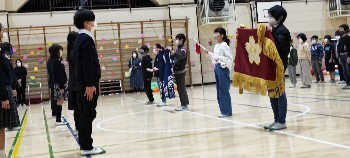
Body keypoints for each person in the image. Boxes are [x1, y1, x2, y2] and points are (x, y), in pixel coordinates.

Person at [71, 9, 105, 156]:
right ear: (86, 22)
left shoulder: (79, 39)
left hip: (83, 83)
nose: (94, 22)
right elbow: (87, 64)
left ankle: (85, 144)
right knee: (88, 113)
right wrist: (90, 84)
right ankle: (87, 146)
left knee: (86, 113)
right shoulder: (86, 39)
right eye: (92, 20)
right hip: (88, 85)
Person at [263, 5, 291, 130]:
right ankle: (276, 119)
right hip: (270, 66)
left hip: (278, 66)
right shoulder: (274, 30)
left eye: (271, 16)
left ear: (280, 18)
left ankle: (281, 121)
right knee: (272, 93)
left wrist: (269, 33)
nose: (269, 18)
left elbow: (277, 46)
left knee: (280, 93)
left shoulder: (283, 31)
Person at [208, 27, 233, 118]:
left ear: (222, 35)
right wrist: (212, 56)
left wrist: (219, 58)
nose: (215, 34)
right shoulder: (216, 46)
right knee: (219, 90)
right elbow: (216, 58)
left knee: (224, 90)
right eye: (214, 32)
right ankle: (223, 110)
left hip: (223, 68)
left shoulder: (224, 45)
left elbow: (230, 59)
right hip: (217, 67)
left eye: (217, 33)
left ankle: (227, 111)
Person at [0, 42, 21, 132]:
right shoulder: (4, 59)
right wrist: (13, 87)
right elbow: (10, 75)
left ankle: (12, 124)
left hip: (8, 85)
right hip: (6, 86)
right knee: (10, 106)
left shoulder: (6, 59)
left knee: (11, 106)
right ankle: (12, 124)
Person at [168, 33, 190, 111]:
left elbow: (180, 57)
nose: (176, 41)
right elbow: (175, 58)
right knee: (180, 89)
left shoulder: (183, 49)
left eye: (177, 39)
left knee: (182, 88)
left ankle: (184, 105)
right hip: (177, 71)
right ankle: (183, 104)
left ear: (181, 40)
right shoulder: (179, 48)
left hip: (181, 71)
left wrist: (173, 52)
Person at [48, 44, 68, 126]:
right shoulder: (56, 61)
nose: (61, 52)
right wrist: (61, 87)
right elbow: (58, 75)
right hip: (59, 85)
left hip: (58, 84)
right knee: (60, 100)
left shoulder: (55, 60)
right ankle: (58, 120)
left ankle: (58, 118)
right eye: (60, 50)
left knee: (60, 100)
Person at [67, 31, 80, 135]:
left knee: (77, 108)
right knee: (79, 107)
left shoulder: (70, 51)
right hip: (77, 83)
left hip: (73, 83)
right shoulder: (74, 52)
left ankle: (77, 126)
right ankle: (79, 127)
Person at [337, 24, 350, 89]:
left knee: (348, 70)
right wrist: (339, 56)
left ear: (346, 30)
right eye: (339, 29)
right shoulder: (341, 38)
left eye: (341, 29)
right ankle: (347, 83)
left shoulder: (348, 37)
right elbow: (339, 48)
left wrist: (349, 56)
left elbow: (349, 48)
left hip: (346, 55)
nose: (340, 30)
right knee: (344, 71)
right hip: (341, 56)